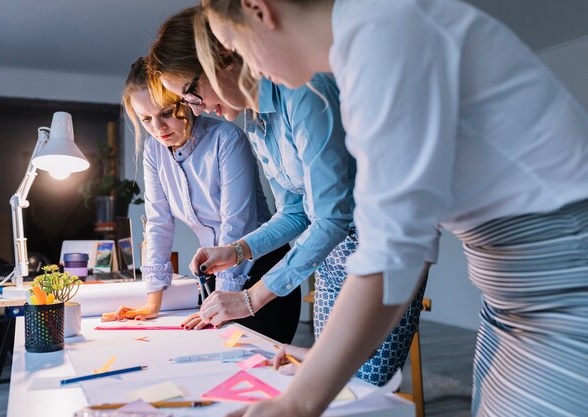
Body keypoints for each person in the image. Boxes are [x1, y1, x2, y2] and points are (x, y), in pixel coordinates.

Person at [201, 0, 588, 416]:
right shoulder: (367, 40)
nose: (246, 71)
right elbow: (406, 245)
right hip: (510, 300)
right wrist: (324, 359)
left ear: (258, 9)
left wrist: (298, 403)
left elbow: (395, 255)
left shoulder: (382, 35)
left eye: (234, 46)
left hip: (563, 293)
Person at [146, 7, 427, 386]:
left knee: (361, 387)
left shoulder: (303, 91)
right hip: (329, 258)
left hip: (380, 252)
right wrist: (237, 251)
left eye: (192, 92)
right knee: (335, 384)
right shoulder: (256, 119)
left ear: (223, 58)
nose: (197, 108)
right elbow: (295, 211)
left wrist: (249, 299)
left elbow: (331, 218)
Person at [103, 57, 300, 344]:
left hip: (263, 270)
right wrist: (153, 300)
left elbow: (237, 225)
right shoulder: (154, 151)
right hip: (219, 276)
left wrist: (223, 299)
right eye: (146, 119)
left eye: (167, 113)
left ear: (186, 101)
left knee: (261, 370)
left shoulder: (226, 138)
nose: (158, 128)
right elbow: (158, 221)